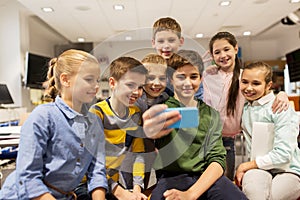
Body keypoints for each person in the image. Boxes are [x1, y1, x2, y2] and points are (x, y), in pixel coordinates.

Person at [0, 49, 107, 199]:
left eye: (97, 80)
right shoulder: (43, 117)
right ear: (65, 80)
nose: (96, 86)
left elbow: (97, 172)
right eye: (89, 79)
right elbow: (28, 178)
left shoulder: (94, 122)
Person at [143, 52, 248, 200]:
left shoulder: (211, 115)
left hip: (207, 177)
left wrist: (191, 194)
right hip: (171, 177)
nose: (187, 83)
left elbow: (217, 159)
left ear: (201, 78)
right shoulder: (161, 111)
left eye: (193, 77)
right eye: (180, 77)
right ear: (170, 80)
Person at [202, 31, 290, 180]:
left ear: (236, 49)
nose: (223, 55)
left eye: (226, 49)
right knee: (205, 179)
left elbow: (263, 93)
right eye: (217, 52)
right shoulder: (208, 75)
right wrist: (204, 62)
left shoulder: (245, 77)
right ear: (212, 55)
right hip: (207, 137)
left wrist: (281, 94)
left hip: (228, 139)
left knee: (226, 180)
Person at [235, 61, 300, 200]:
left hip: (289, 170)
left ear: (268, 85)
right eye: (244, 82)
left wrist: (245, 166)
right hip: (259, 168)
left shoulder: (280, 107)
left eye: (256, 83)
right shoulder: (245, 105)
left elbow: (284, 154)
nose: (248, 88)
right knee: (254, 195)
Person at [90, 57, 148, 200]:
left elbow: (138, 154)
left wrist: (136, 189)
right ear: (112, 83)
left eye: (140, 87)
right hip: (90, 184)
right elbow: (91, 161)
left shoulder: (135, 114)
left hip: (112, 185)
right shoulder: (97, 112)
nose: (136, 92)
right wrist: (119, 192)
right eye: (130, 85)